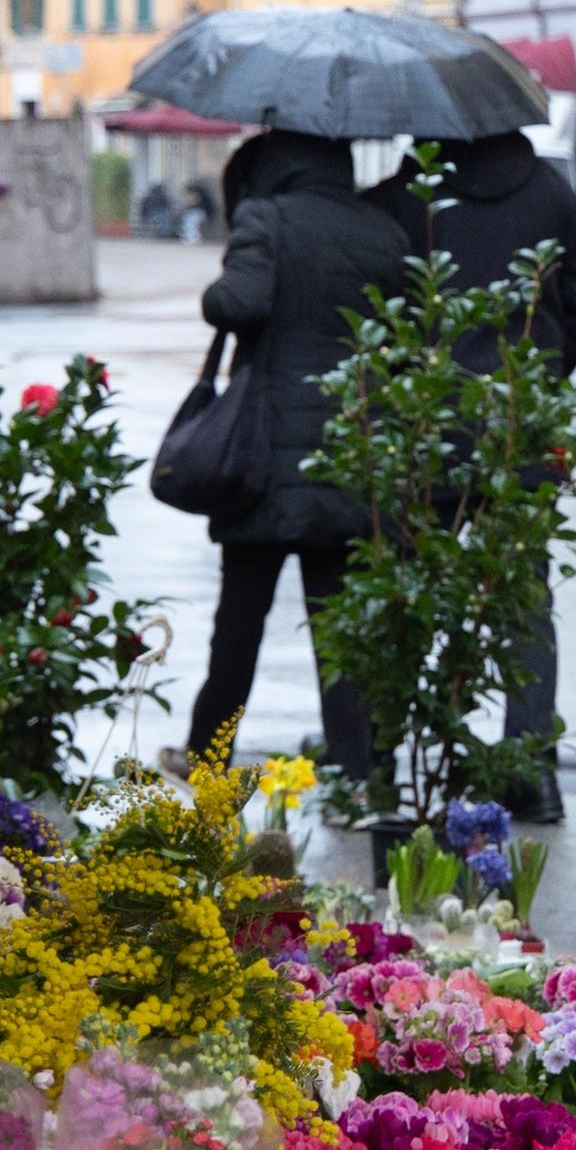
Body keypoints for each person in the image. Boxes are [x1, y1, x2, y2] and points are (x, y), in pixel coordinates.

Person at [369, 127, 576, 822]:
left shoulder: (410, 193)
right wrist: (544, 366)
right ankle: (531, 772)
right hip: (519, 427)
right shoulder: (544, 188)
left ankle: (396, 768)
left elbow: (375, 294)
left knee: (407, 593)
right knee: (524, 601)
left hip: (426, 430)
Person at [183, 127, 401, 776]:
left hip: (263, 462)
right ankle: (354, 765)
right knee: (339, 626)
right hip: (349, 459)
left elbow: (239, 302)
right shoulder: (382, 228)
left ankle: (207, 756)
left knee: (241, 620)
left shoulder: (265, 218)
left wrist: (216, 291)